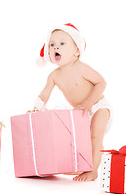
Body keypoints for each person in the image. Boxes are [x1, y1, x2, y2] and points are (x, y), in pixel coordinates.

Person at [29, 23, 113, 181]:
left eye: (62, 43)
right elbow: (45, 94)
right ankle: (82, 166)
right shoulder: (54, 75)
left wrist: (89, 102)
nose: (56, 47)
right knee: (80, 141)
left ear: (76, 51)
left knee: (95, 137)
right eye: (52, 44)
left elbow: (101, 82)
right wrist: (36, 107)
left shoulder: (81, 67)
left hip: (98, 106)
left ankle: (93, 170)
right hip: (81, 112)